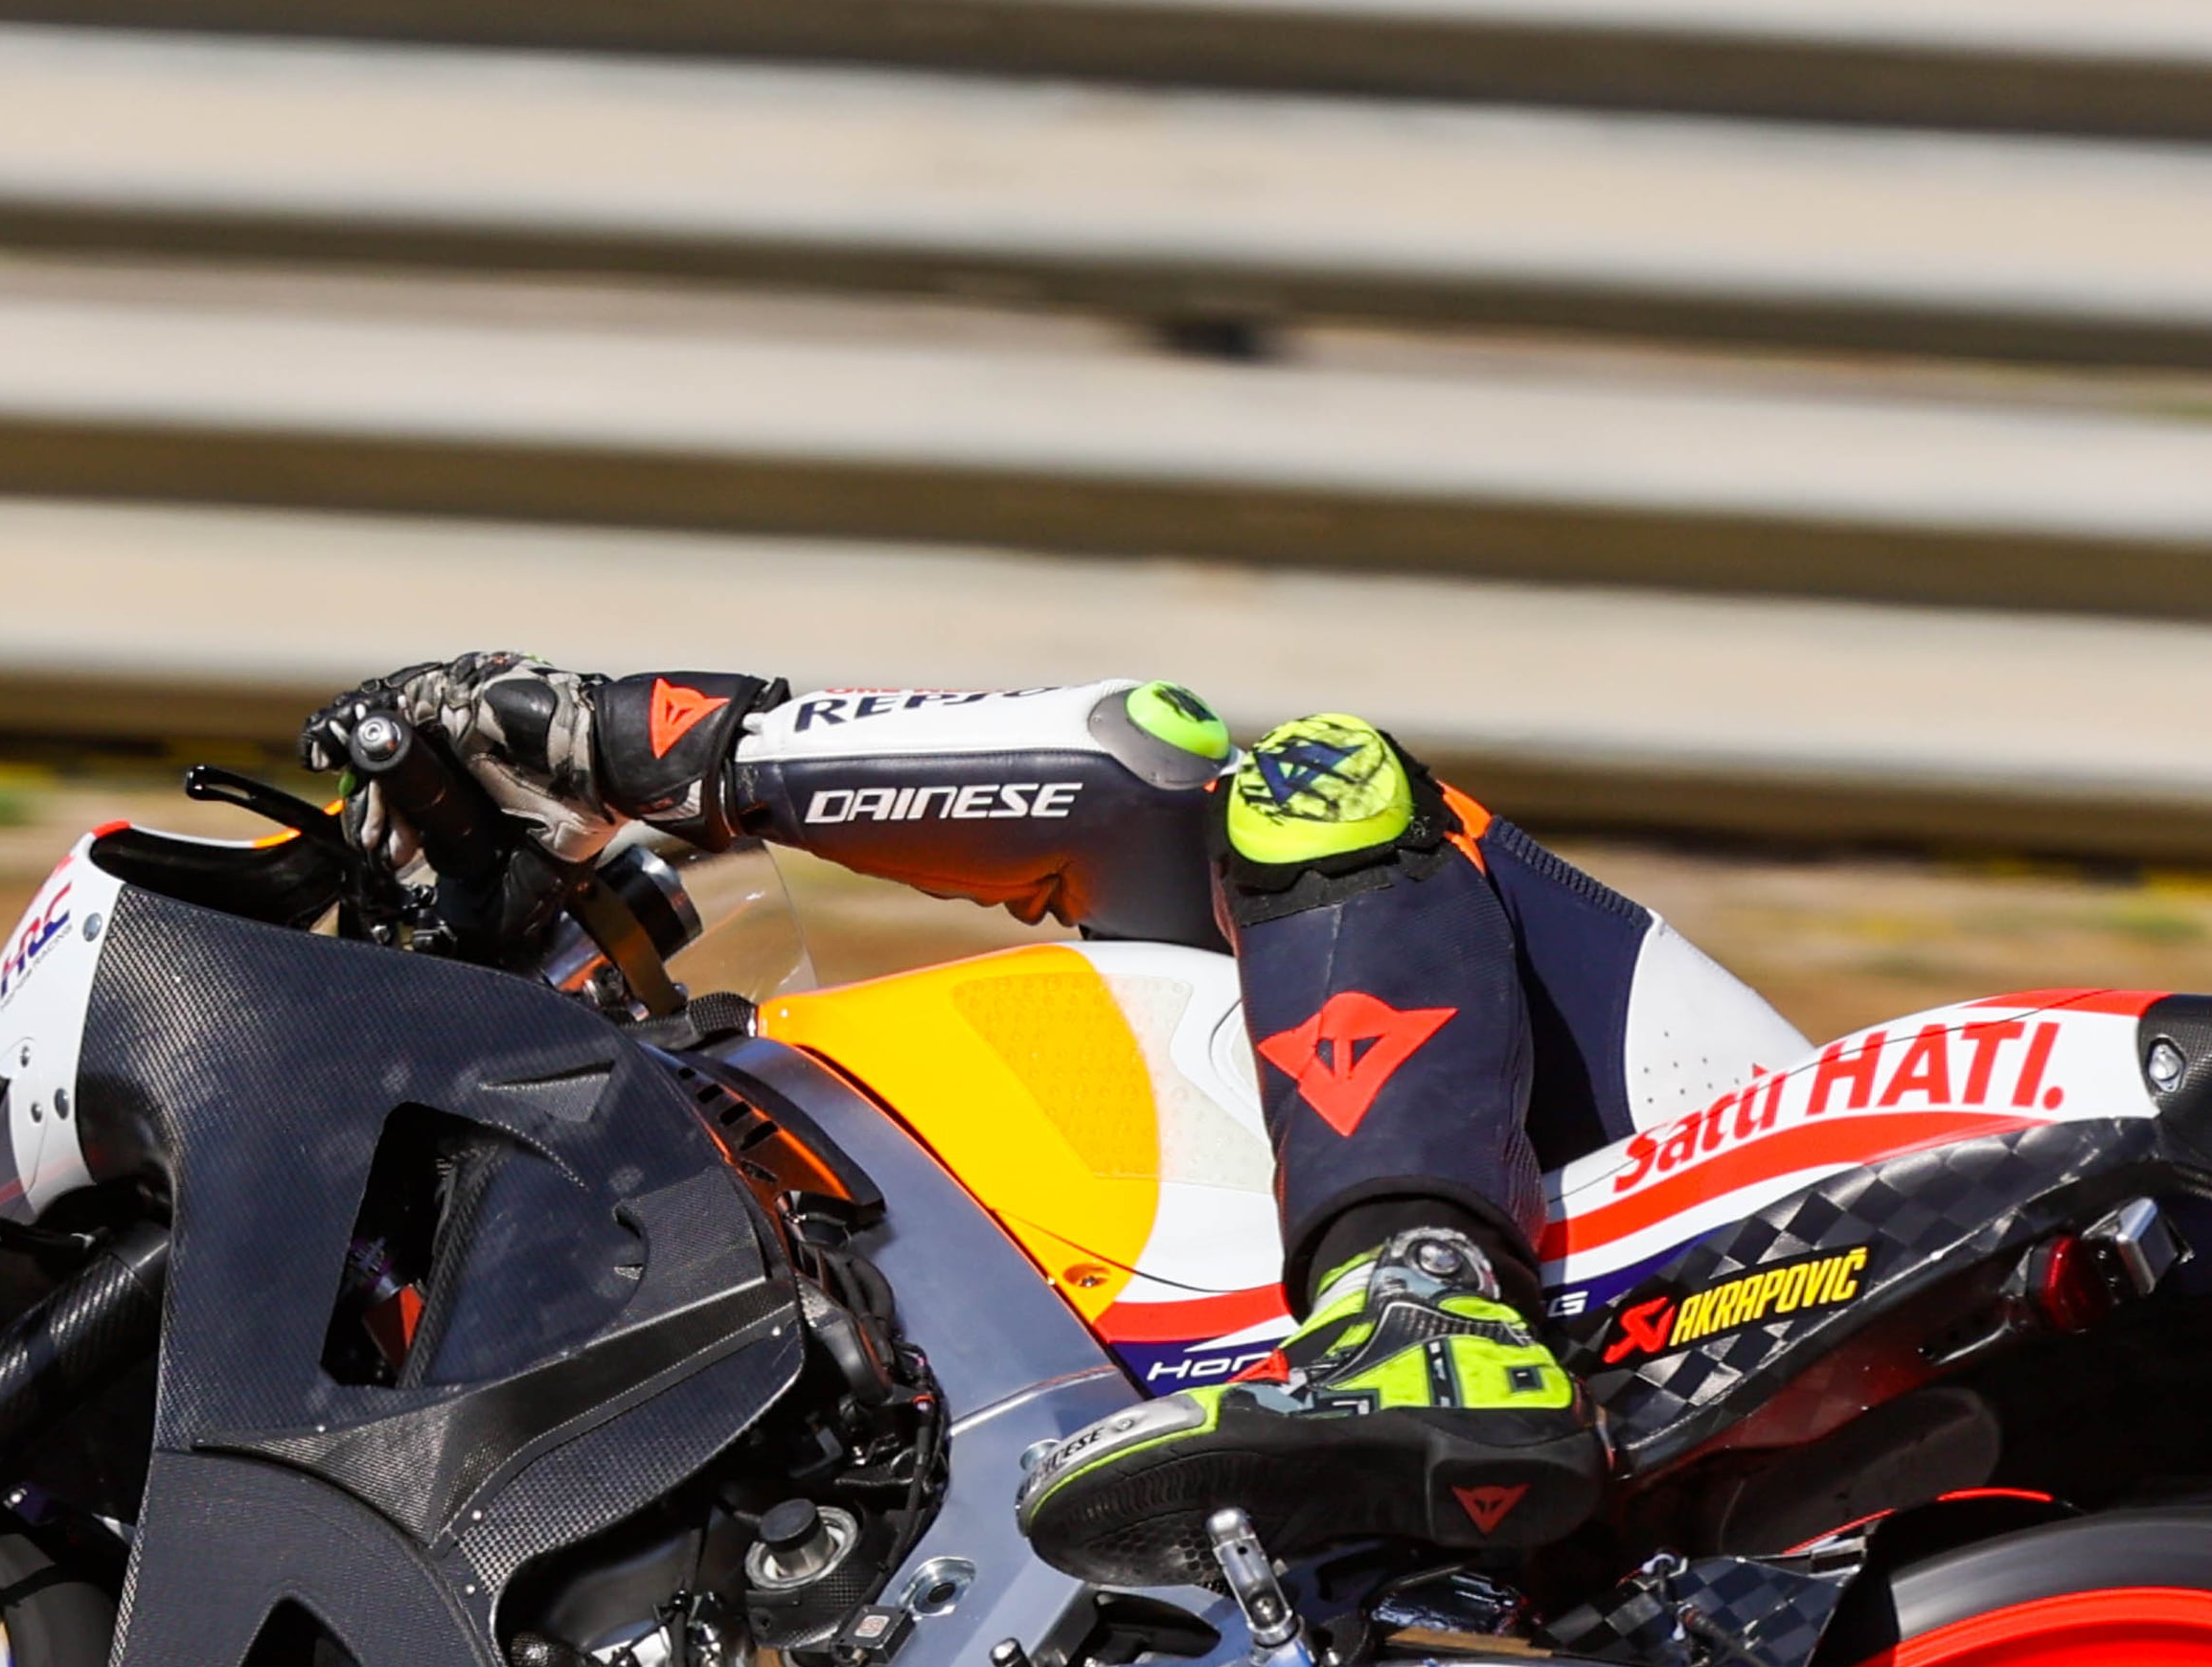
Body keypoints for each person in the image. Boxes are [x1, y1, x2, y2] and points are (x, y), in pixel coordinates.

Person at [331, 651, 1781, 1590]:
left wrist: (643, 743)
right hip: (1621, 1490)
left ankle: (1424, 1308)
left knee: (1313, 781)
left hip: (1693, 1150)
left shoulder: (1189, 907)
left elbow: (1132, 750)